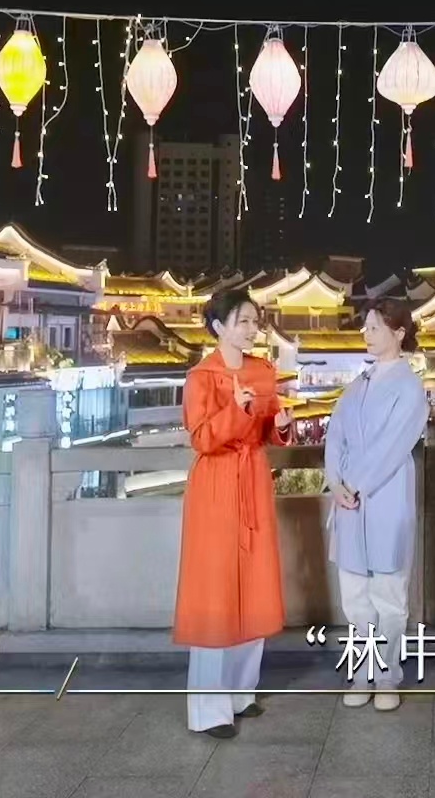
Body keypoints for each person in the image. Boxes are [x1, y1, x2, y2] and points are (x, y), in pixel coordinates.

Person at [174, 288, 294, 738]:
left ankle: (242, 691)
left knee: (254, 586)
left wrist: (280, 427)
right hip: (217, 484)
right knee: (216, 592)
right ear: (218, 326)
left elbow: (267, 428)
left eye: (254, 321)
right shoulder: (201, 378)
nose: (251, 329)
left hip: (253, 481)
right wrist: (237, 412)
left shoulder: (263, 371)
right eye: (242, 321)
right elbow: (203, 438)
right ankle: (208, 708)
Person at [324, 299, 430, 712]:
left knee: (388, 594)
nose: (366, 335)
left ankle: (387, 674)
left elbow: (393, 445)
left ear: (399, 333)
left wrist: (354, 483)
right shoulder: (359, 383)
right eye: (365, 327)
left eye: (374, 328)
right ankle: (362, 672)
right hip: (349, 501)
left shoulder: (410, 387)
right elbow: (336, 435)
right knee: (354, 595)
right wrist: (335, 481)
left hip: (384, 495)